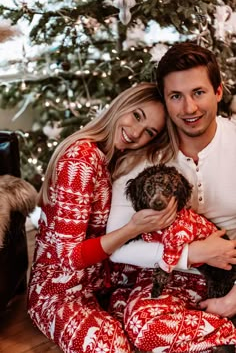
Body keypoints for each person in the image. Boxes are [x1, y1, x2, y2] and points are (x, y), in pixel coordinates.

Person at [27, 82, 184, 353]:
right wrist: (133, 228)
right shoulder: (81, 159)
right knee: (110, 346)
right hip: (58, 293)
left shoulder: (117, 159)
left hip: (104, 285)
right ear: (121, 105)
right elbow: (70, 258)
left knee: (153, 330)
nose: (136, 133)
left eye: (149, 131)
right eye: (136, 115)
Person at [107, 42, 236, 352]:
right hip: (170, 277)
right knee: (145, 328)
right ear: (165, 101)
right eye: (176, 97)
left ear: (218, 92)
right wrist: (190, 254)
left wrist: (233, 300)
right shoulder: (142, 157)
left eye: (198, 93)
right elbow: (116, 245)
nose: (189, 108)